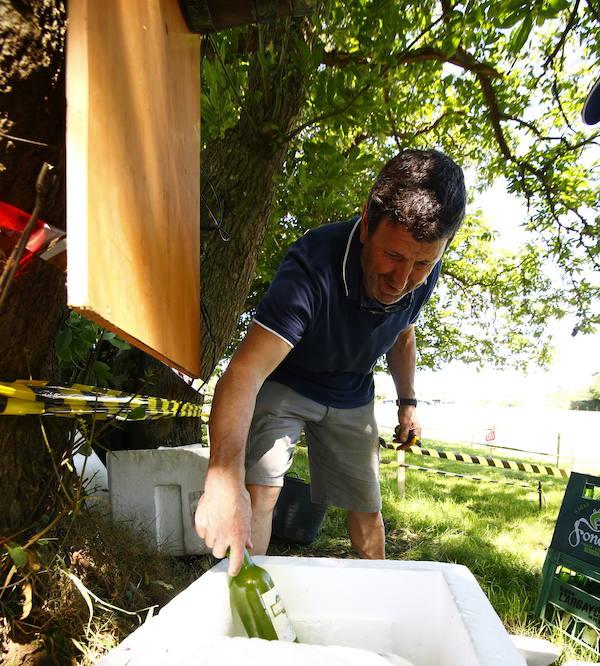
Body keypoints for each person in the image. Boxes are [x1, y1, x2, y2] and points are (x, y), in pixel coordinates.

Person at [195, 148, 467, 575]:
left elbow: (403, 331)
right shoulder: (311, 265)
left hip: (352, 392)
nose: (401, 281)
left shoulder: (422, 272)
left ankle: (381, 602)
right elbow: (246, 371)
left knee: (367, 507)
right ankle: (249, 599)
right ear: (365, 222)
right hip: (288, 381)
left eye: (422, 264)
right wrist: (222, 476)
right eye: (393, 256)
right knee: (260, 490)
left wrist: (407, 402)